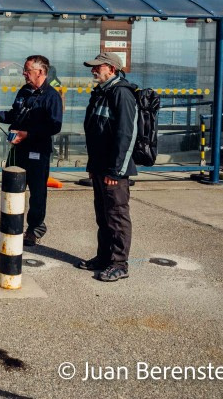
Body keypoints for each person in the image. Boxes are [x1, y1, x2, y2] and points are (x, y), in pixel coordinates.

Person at [0, 55, 63, 246]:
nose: (24, 74)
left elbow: (54, 127)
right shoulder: (24, 91)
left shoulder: (52, 96)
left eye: (27, 70)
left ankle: (35, 229)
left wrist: (28, 134)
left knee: (37, 192)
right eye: (24, 70)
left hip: (38, 151)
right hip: (18, 150)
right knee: (11, 189)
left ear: (40, 72)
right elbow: (14, 116)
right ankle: (10, 225)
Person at [75, 52, 138, 282]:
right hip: (101, 167)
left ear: (111, 69)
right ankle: (104, 257)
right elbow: (96, 132)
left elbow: (126, 135)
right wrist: (93, 165)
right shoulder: (102, 92)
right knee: (103, 215)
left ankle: (119, 263)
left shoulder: (121, 93)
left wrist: (116, 171)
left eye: (97, 67)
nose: (93, 71)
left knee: (117, 216)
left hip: (115, 171)